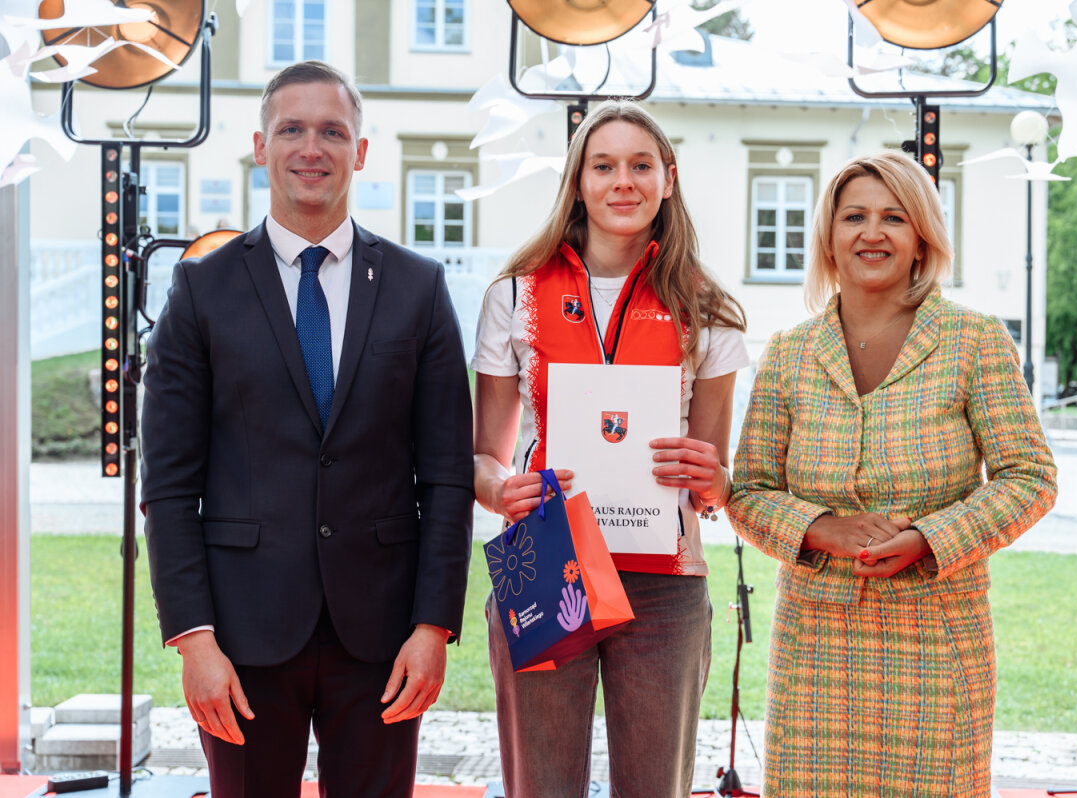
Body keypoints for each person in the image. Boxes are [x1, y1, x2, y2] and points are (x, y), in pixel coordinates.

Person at [140, 60, 473, 797]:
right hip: (241, 634)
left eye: (332, 131)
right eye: (291, 129)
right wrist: (193, 640)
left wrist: (433, 627)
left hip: (383, 634)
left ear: (361, 151)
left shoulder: (419, 288)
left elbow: (448, 478)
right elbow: (167, 486)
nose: (311, 148)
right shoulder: (201, 289)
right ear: (261, 146)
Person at [728, 151, 1057, 797]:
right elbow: (749, 491)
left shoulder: (975, 340)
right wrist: (821, 529)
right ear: (829, 237)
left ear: (921, 239)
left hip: (935, 639)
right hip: (814, 648)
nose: (871, 233)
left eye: (894, 218)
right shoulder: (789, 352)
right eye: (854, 216)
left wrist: (929, 539)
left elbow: (1029, 477)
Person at [471, 100, 749, 797]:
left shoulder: (707, 307)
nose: (623, 181)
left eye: (640, 165)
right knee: (541, 786)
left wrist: (713, 478)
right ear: (578, 181)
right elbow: (482, 459)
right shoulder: (515, 295)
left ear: (668, 179)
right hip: (544, 558)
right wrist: (499, 488)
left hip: (664, 577)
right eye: (603, 166)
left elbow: (713, 481)